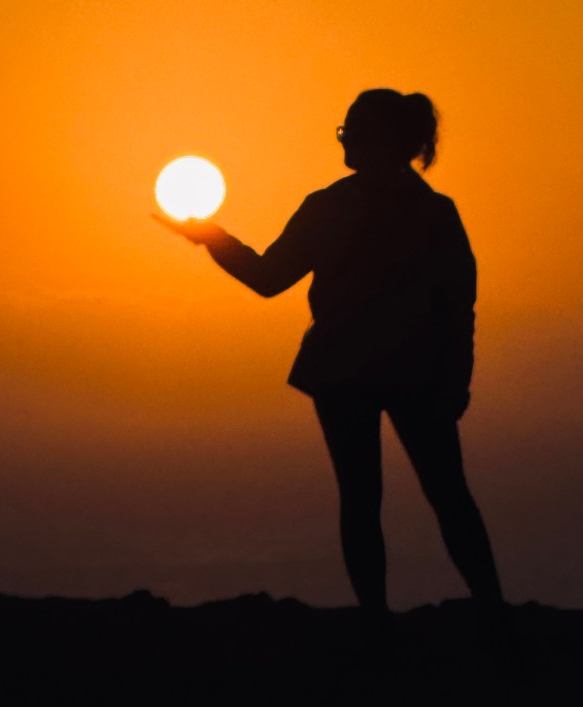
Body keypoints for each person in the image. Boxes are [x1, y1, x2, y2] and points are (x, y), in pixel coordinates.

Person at [154, 88, 503, 626]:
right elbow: (459, 307)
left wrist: (212, 239)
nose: (343, 139)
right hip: (417, 374)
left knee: (364, 500)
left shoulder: (332, 207)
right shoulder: (433, 212)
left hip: (347, 370)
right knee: (447, 497)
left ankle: (378, 626)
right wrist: (457, 378)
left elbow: (269, 280)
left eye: (350, 130)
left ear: (380, 139)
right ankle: (493, 618)